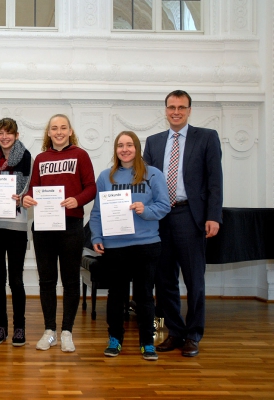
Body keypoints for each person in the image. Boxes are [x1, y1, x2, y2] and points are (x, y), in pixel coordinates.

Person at [143, 90, 223, 357]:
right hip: (161, 218)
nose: (175, 111)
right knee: (164, 281)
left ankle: (194, 335)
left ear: (189, 110)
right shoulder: (153, 142)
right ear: (164, 110)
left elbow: (215, 181)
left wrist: (214, 216)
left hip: (191, 217)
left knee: (194, 280)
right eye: (171, 107)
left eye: (181, 107)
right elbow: (145, 184)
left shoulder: (207, 138)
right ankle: (175, 333)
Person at [89, 131, 170, 361]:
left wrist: (147, 210)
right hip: (115, 246)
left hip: (146, 244)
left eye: (129, 145)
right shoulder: (106, 176)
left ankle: (147, 342)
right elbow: (97, 212)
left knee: (145, 296)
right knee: (116, 296)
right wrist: (97, 237)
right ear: (115, 150)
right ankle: (115, 338)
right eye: (120, 145)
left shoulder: (153, 174)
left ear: (137, 147)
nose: (125, 149)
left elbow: (164, 205)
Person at [22, 114, 96, 353]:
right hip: (44, 227)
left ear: (70, 131)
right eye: (54, 128)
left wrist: (78, 200)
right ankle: (49, 331)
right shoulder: (41, 158)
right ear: (49, 132)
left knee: (71, 279)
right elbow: (33, 187)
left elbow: (91, 187)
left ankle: (67, 331)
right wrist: (27, 198)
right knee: (46, 280)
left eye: (63, 128)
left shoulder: (80, 155)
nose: (59, 132)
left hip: (71, 226)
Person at [0, 118, 32, 347]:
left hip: (16, 224)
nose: (4, 136)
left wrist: (21, 197)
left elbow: (29, 186)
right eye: (0, 132)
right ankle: (1, 326)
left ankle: (19, 327)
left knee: (16, 279)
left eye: (8, 133)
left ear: (16, 135)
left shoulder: (27, 157)